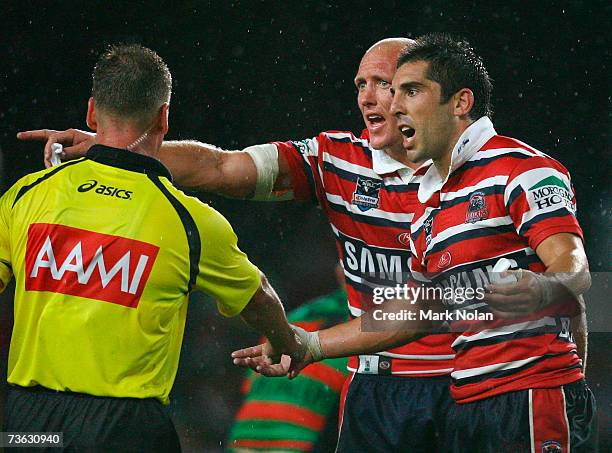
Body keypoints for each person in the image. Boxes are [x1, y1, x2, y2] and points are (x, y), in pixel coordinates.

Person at [18, 38, 457, 453]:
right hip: (376, 385)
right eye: (361, 84)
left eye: (384, 83)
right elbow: (221, 167)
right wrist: (114, 148)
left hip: (468, 377)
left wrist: (312, 344)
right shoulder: (335, 160)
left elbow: (498, 297)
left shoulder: (497, 172)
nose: (367, 97)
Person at [235, 33, 598, 452]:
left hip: (531, 394)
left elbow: (574, 272)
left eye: (410, 91)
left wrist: (533, 294)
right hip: (468, 402)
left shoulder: (521, 169)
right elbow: (417, 312)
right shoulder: (431, 206)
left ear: (461, 103)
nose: (394, 105)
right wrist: (310, 344)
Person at [2, 44, 301, 452]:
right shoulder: (191, 223)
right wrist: (287, 343)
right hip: (124, 429)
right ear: (164, 117)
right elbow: (260, 297)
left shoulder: (26, 195)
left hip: (29, 425)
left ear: (91, 113)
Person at [227, 265, 349, 453]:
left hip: (243, 440)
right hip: (299, 443)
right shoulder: (373, 324)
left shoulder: (294, 317)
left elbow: (250, 385)